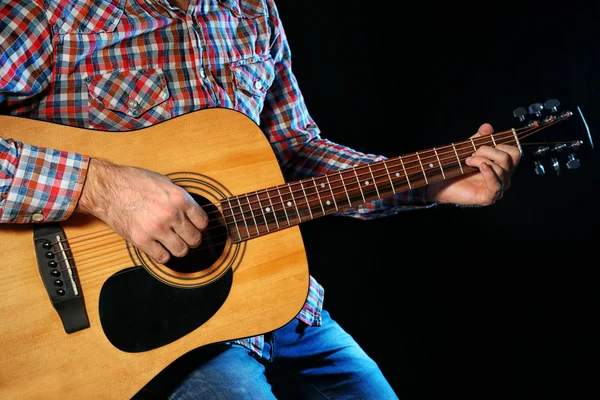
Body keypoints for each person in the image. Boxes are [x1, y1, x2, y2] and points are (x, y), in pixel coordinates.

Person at [0, 0, 521, 398]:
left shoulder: (252, 10)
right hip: (137, 334)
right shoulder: (47, 14)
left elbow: (293, 152)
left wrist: (428, 183)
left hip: (275, 304)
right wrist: (102, 187)